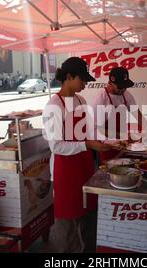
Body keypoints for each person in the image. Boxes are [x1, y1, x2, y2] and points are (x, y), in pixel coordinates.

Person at [42, 57, 111, 252]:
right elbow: (56, 146)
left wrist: (105, 141)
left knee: (89, 220)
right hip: (65, 174)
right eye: (83, 79)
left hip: (84, 168)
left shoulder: (81, 100)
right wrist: (87, 144)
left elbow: (89, 131)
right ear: (69, 77)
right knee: (68, 228)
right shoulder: (54, 105)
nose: (85, 83)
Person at [91, 67, 142, 163]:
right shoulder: (101, 98)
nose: (123, 89)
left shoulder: (125, 94)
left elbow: (136, 112)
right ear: (110, 82)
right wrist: (123, 135)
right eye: (120, 86)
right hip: (106, 144)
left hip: (121, 142)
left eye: (125, 86)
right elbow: (97, 130)